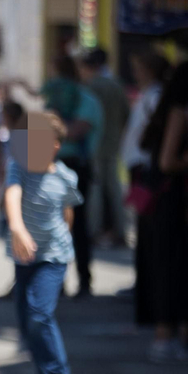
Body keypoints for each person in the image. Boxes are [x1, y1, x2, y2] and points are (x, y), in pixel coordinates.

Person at [5, 110, 83, 374]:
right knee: (28, 326)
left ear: (54, 145)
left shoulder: (66, 177)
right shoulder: (19, 168)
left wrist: (65, 251)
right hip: (25, 256)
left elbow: (68, 215)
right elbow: (12, 195)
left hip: (53, 257)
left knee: (40, 313)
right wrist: (17, 228)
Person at [137, 60, 188, 361]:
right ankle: (168, 333)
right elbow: (168, 162)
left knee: (168, 262)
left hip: (162, 200)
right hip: (172, 201)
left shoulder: (167, 110)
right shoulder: (179, 113)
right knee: (176, 263)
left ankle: (168, 333)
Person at [41, 52, 103, 296]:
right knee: (55, 226)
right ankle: (59, 280)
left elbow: (75, 131)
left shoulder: (84, 99)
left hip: (75, 166)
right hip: (53, 165)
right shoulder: (55, 99)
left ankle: (84, 280)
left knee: (77, 225)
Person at [78, 48, 130, 248]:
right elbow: (126, 115)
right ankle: (120, 230)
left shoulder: (89, 87)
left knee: (95, 189)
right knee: (115, 189)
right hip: (113, 144)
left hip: (94, 144)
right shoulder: (117, 85)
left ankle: (94, 231)